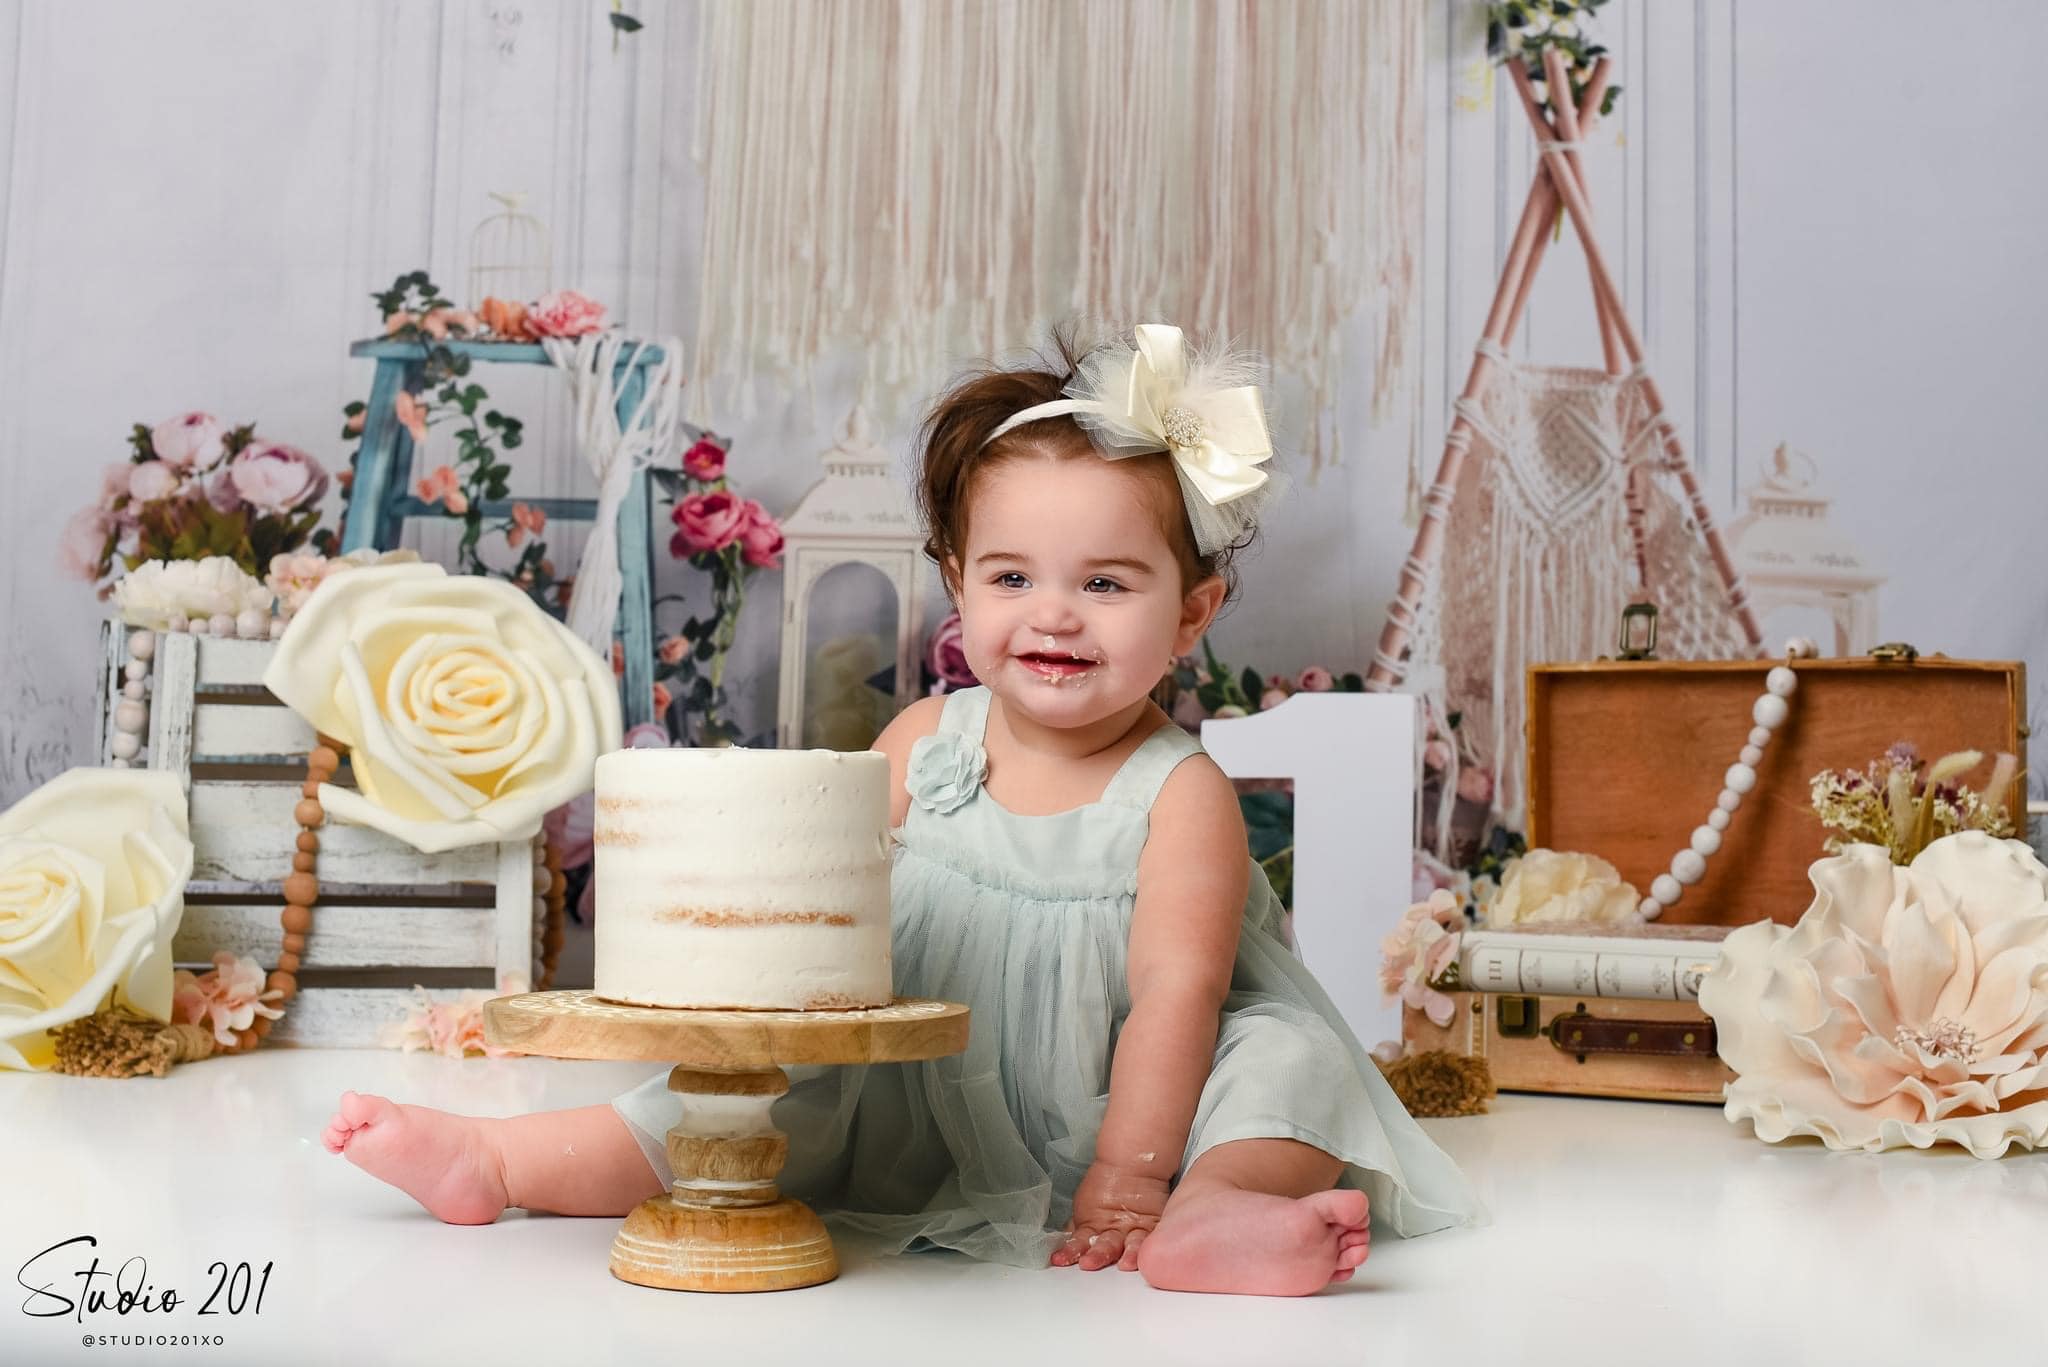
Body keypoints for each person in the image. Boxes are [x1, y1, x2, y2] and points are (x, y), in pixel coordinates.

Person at [323, 323, 1477, 1296]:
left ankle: (1208, 1213)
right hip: (921, 1070)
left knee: (1282, 1068)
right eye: (1011, 575)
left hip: (1138, 1098)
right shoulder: (927, 740)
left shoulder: (1178, 794)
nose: (1054, 615)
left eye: (1106, 583)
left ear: (1192, 613)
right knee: (729, 1102)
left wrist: (1130, 1171)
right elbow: (816, 887)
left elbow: (1175, 998)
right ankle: (499, 1158)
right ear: (957, 582)